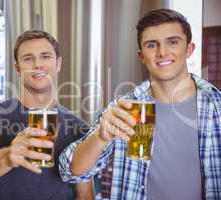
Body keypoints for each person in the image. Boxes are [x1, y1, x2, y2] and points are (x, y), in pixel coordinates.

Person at [59, 8, 221, 200]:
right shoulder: (126, 108)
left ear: (189, 49)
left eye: (172, 42)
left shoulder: (217, 107)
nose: (162, 52)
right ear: (141, 56)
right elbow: (71, 170)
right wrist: (101, 136)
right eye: (152, 45)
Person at [0, 30, 94, 200]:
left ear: (58, 63)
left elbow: (85, 195)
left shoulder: (79, 128)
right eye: (28, 58)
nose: (37, 64)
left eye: (45, 56)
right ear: (17, 68)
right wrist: (7, 157)